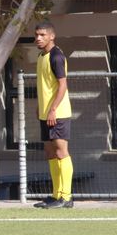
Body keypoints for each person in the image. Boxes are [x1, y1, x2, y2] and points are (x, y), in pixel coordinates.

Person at [33, 22, 74, 209]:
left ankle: (66, 197)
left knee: (60, 151)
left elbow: (62, 85)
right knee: (49, 152)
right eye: (36, 35)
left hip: (58, 113)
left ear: (52, 36)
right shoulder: (41, 56)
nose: (38, 38)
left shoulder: (56, 56)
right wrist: (40, 107)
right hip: (45, 113)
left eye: (42, 35)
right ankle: (56, 194)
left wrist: (53, 109)